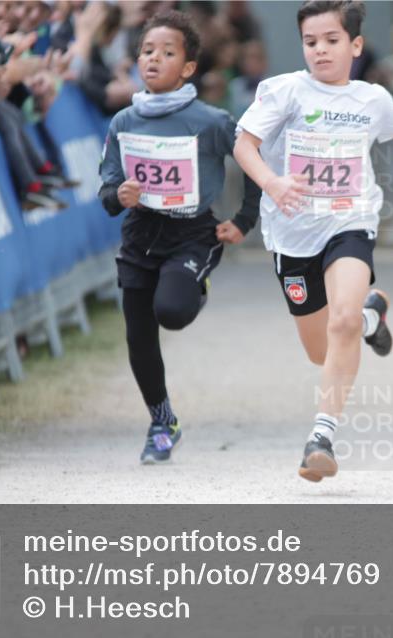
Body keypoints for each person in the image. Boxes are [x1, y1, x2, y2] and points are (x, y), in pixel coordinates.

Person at [233, 0, 393, 483]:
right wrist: (272, 182)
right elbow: (244, 142)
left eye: (331, 40)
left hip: (350, 222)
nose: (320, 50)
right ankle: (373, 315)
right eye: (310, 42)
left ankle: (321, 437)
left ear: (355, 44)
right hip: (291, 234)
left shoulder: (372, 100)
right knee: (322, 351)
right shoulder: (284, 92)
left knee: (340, 324)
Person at [98, 9, 261, 464]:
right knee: (139, 336)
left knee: (171, 310)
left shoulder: (210, 121)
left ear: (188, 67)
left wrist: (244, 219)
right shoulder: (124, 122)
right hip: (139, 236)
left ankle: (195, 284)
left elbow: (253, 162)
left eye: (167, 53)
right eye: (147, 51)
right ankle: (161, 420)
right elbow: (106, 192)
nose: (154, 59)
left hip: (192, 233)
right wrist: (121, 194)